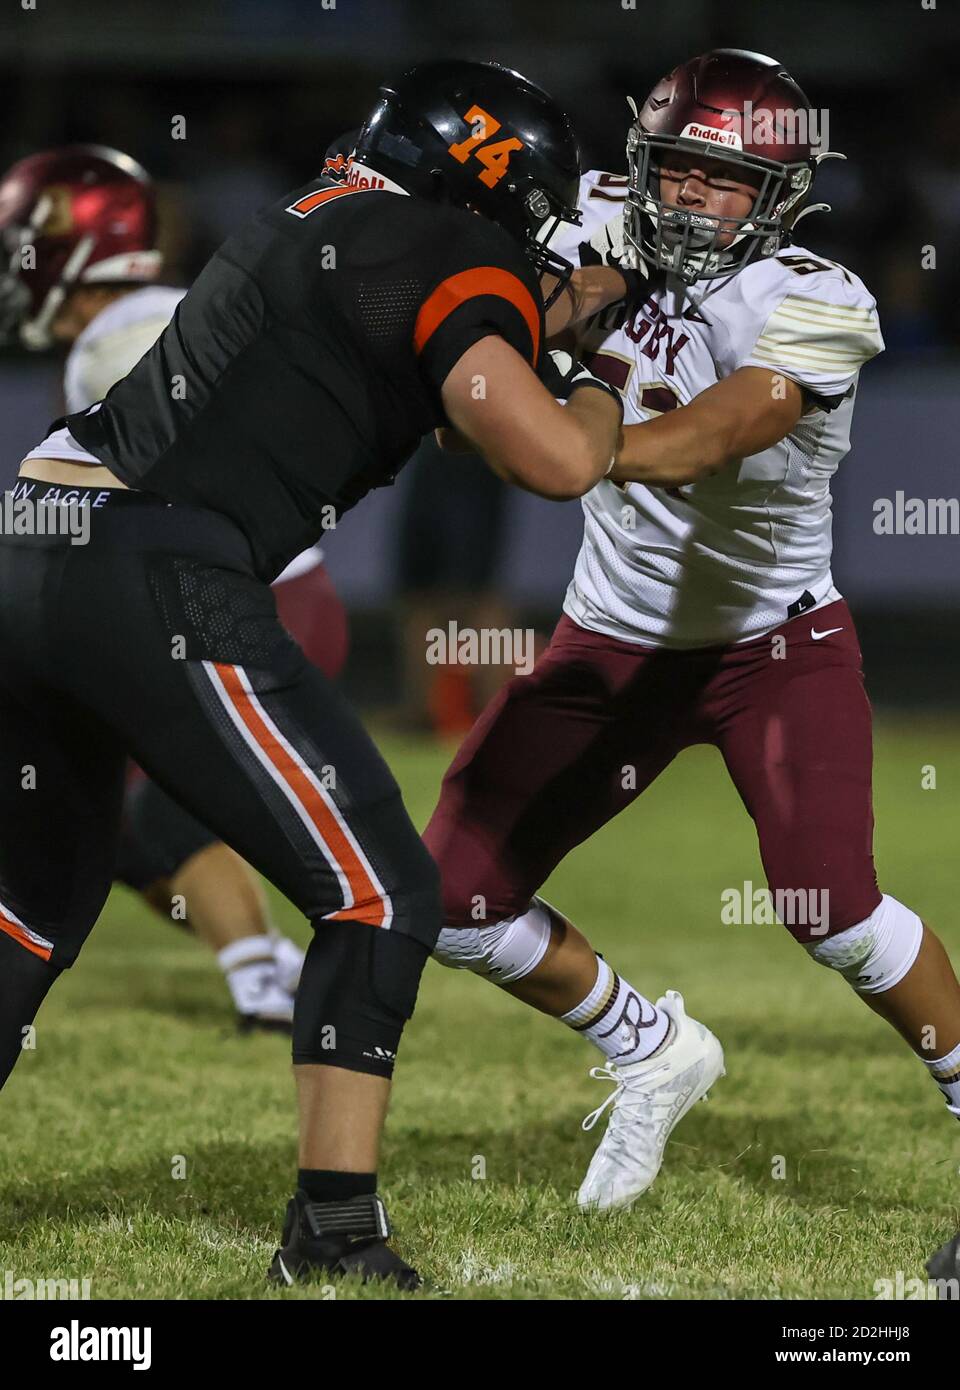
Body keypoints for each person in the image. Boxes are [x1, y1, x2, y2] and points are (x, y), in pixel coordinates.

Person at [0, 60, 623, 1288]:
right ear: (486, 177)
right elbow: (550, 458)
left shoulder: (332, 214)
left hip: (34, 537)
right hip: (155, 562)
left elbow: (441, 377)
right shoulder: (448, 250)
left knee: (30, 903)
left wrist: (555, 311)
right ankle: (335, 1232)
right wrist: (599, 376)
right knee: (382, 892)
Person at [425, 49, 960, 1214]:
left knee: (834, 909)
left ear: (780, 194)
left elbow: (718, 431)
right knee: (451, 902)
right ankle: (650, 1045)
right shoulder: (587, 223)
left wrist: (569, 440)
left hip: (772, 646)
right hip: (606, 640)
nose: (691, 201)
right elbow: (463, 360)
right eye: (674, 172)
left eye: (725, 181)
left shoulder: (819, 296)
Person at [0, 143, 350, 1030]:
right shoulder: (173, 311)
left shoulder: (116, 343)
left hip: (223, 595)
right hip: (271, 590)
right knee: (104, 812)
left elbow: (129, 504)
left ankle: (270, 980)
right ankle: (264, 959)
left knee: (128, 799)